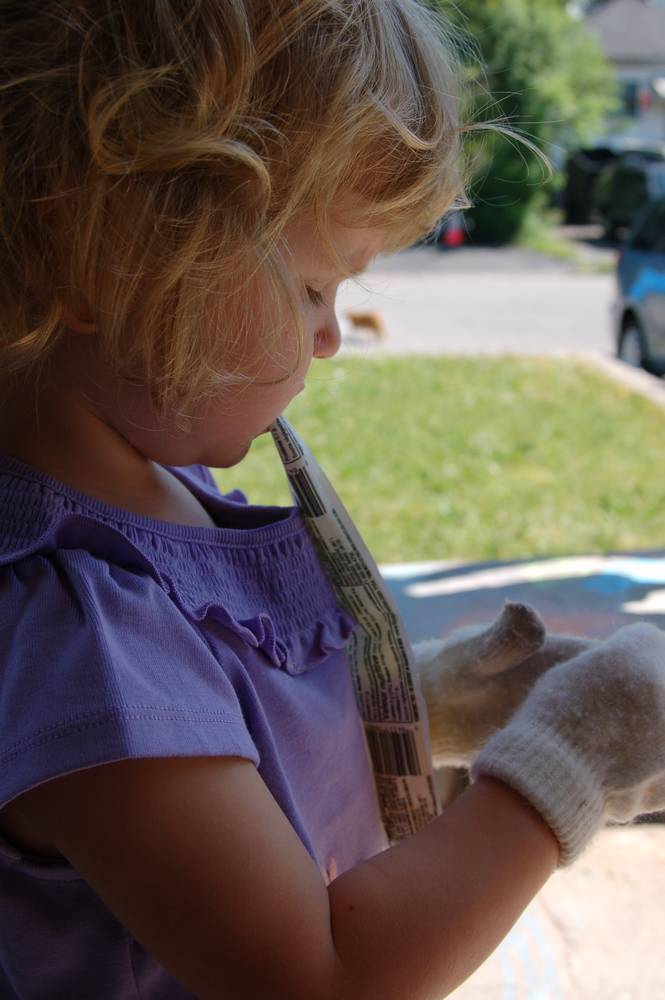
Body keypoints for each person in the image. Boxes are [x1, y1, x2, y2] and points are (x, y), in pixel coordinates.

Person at [0, 3, 664, 998]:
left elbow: (226, 743)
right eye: (313, 286)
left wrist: (408, 711)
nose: (330, 336)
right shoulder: (80, 627)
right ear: (106, 259)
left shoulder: (156, 496)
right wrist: (569, 760)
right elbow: (324, 972)